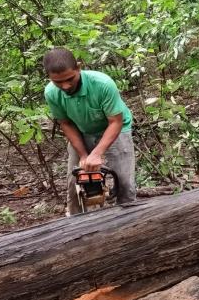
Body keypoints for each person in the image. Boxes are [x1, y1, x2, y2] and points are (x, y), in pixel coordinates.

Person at [42, 47, 137, 215]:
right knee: (74, 182)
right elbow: (66, 123)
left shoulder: (102, 84)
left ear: (79, 67)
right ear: (49, 77)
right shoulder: (51, 92)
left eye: (70, 79)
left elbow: (115, 122)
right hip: (82, 130)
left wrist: (97, 153)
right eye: (58, 82)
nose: (65, 86)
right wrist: (84, 155)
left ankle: (128, 220)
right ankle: (76, 225)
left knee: (124, 182)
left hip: (115, 128)